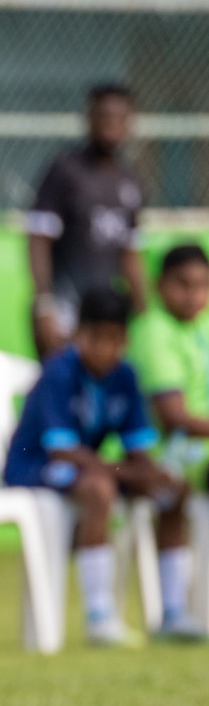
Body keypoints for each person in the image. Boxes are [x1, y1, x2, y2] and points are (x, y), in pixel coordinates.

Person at [5, 288, 188, 646]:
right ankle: (100, 617)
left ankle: (173, 612)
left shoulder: (126, 376)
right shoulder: (58, 371)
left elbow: (139, 450)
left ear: (125, 340)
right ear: (78, 334)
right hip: (34, 470)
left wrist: (152, 474)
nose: (105, 349)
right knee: (99, 489)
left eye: (115, 339)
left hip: (90, 469)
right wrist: (131, 473)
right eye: (96, 338)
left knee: (174, 489)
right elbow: (64, 453)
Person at [27, 84, 145, 359]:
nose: (111, 126)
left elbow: (131, 254)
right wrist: (45, 305)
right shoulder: (65, 170)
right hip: (66, 310)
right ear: (89, 118)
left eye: (120, 118)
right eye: (104, 117)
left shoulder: (131, 180)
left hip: (107, 313)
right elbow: (38, 239)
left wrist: (144, 314)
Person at [129, 243, 209, 639]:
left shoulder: (204, 325)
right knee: (179, 489)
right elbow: (173, 418)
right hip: (164, 452)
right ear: (160, 286)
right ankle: (176, 611)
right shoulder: (153, 331)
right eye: (183, 285)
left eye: (202, 286)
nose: (194, 295)